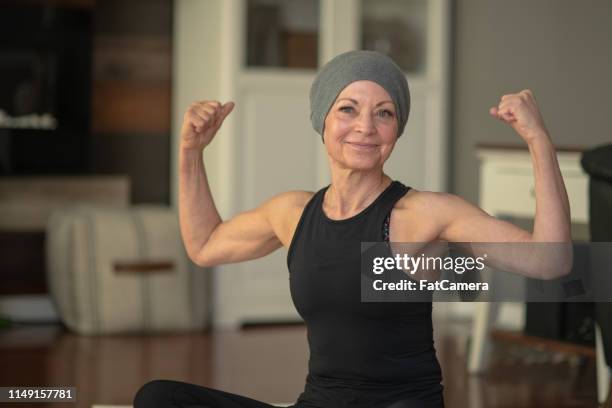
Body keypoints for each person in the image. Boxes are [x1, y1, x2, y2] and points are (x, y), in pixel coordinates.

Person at [133, 50, 572, 408]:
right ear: (322, 119)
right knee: (158, 399)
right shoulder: (293, 213)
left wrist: (538, 142)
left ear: (397, 129)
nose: (365, 127)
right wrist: (191, 151)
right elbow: (205, 245)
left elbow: (551, 260)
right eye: (348, 109)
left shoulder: (422, 214)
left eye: (384, 113)